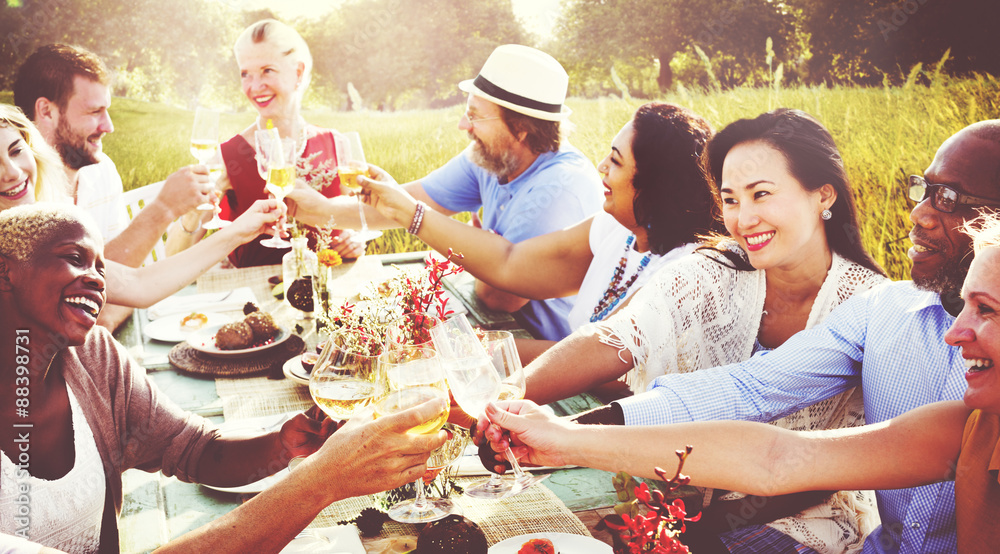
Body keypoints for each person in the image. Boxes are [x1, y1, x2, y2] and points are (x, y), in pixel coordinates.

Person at [513, 119, 1000, 553]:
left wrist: (568, 436)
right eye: (729, 199)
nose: (917, 214)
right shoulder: (888, 312)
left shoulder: (864, 299)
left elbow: (789, 469)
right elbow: (753, 402)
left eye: (949, 199)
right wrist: (569, 433)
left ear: (823, 195)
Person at [0, 203, 448, 553]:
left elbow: (193, 449)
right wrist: (321, 481)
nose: (98, 280)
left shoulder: (93, 359)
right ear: (5, 271)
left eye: (101, 267)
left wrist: (281, 446)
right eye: (74, 258)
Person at [359, 102, 719, 365]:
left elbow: (602, 367)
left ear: (654, 187)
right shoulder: (617, 228)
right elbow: (510, 263)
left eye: (616, 161)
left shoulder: (685, 271)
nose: (600, 167)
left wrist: (468, 348)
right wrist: (409, 212)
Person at [288, 44, 604, 341]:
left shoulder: (559, 186)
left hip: (547, 353)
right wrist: (317, 209)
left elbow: (499, 296)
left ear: (521, 128)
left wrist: (479, 255)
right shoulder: (490, 157)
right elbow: (401, 202)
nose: (463, 125)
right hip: (495, 328)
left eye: (476, 115)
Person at [0, 103, 280, 311]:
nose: (11, 172)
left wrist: (241, 230)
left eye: (16, 151)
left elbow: (139, 285)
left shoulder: (43, 233)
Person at [13, 44, 211, 330]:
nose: (108, 125)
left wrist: (112, 306)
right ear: (46, 111)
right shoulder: (18, 192)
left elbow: (120, 283)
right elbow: (84, 297)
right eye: (95, 111)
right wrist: (163, 209)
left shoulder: (101, 169)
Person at [166, 19, 365, 267]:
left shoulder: (336, 144)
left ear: (298, 72)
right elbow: (172, 258)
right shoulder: (228, 157)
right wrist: (194, 211)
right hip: (254, 298)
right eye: (245, 74)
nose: (255, 86)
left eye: (267, 70)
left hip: (329, 291)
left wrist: (355, 240)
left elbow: (357, 221)